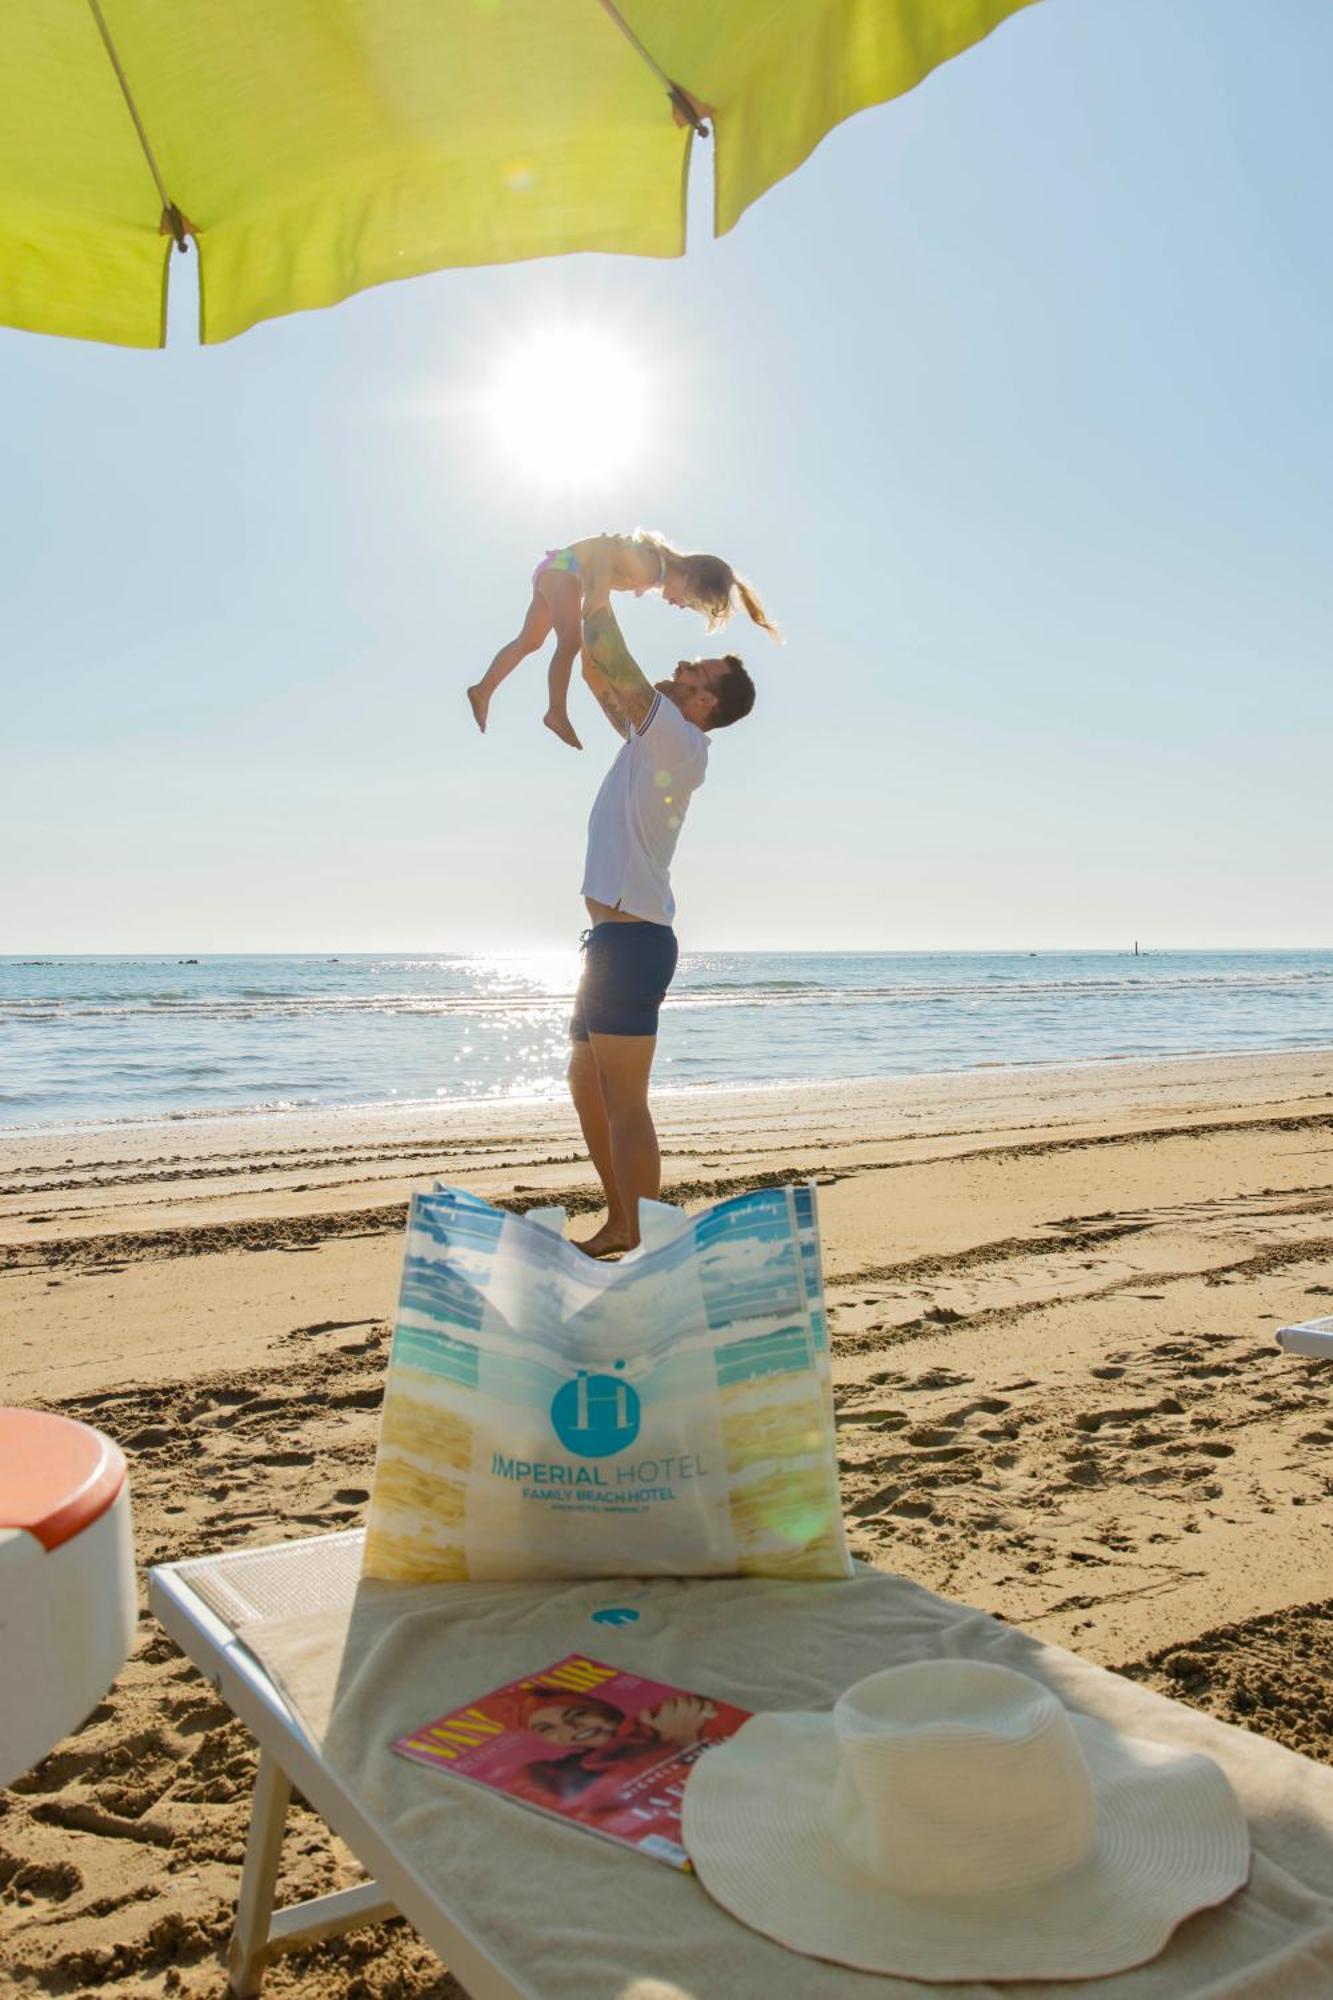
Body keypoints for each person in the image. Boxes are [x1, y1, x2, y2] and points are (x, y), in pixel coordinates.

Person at [568, 555, 757, 1255]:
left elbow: (615, 657)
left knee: (624, 1102)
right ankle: (620, 1219)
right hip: (611, 944)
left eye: (694, 676)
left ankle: (636, 1234)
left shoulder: (679, 739)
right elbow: (599, 672)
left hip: (634, 942)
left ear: (705, 705)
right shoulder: (655, 740)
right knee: (587, 1087)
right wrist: (580, 597)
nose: (681, 667)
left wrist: (595, 578)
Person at [467, 530, 775, 750]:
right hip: (567, 570)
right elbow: (603, 549)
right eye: (689, 601)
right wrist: (598, 591)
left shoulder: (654, 571)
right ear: (691, 577)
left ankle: (483, 689)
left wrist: (598, 592)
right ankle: (555, 711)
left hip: (559, 569)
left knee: (529, 642)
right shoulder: (653, 566)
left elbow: (607, 556)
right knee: (569, 642)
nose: (680, 605)